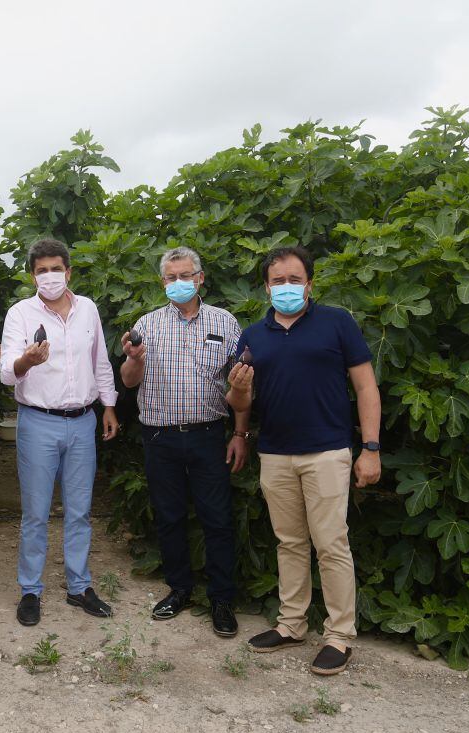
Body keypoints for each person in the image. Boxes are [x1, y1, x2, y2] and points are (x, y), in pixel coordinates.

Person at [226, 245, 382, 676]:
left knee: (331, 543)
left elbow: (366, 387)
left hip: (327, 450)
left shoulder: (337, 322)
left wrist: (371, 448)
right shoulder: (253, 335)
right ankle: (292, 624)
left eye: (295, 280)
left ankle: (339, 635)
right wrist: (238, 394)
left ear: (310, 284)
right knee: (289, 542)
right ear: (266, 287)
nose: (287, 287)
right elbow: (241, 402)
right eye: (278, 281)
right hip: (275, 452)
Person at [119, 246, 246, 638]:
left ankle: (221, 599)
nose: (179, 282)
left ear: (200, 278)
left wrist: (240, 433)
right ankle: (179, 589)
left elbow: (241, 384)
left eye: (186, 275)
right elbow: (128, 381)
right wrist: (134, 359)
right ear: (163, 282)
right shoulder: (147, 324)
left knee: (217, 519)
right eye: (171, 277)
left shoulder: (225, 322)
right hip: (160, 437)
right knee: (169, 516)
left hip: (209, 435)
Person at [0, 238, 119, 627]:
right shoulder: (20, 313)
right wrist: (26, 361)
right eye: (41, 270)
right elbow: (6, 373)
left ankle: (79, 586)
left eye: (56, 269)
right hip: (38, 421)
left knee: (80, 511)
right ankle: (30, 590)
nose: (49, 276)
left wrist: (109, 405)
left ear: (68, 271)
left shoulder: (88, 309)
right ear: (32, 275)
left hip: (83, 420)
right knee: (35, 513)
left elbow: (100, 361)